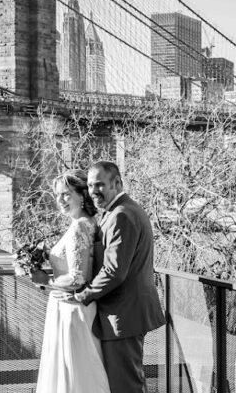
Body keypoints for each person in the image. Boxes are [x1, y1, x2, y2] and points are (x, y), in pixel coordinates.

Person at [57, 161, 166, 393]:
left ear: (117, 183)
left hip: (123, 314)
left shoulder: (121, 215)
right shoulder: (116, 212)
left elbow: (114, 271)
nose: (94, 191)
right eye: (89, 185)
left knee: (125, 385)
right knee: (126, 380)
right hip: (124, 312)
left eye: (100, 184)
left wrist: (82, 295)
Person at [27, 170, 111, 393]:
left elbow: (77, 277)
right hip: (71, 307)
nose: (60, 200)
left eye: (66, 194)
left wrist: (45, 279)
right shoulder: (88, 222)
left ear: (82, 195)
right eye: (57, 195)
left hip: (72, 311)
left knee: (76, 374)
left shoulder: (79, 227)